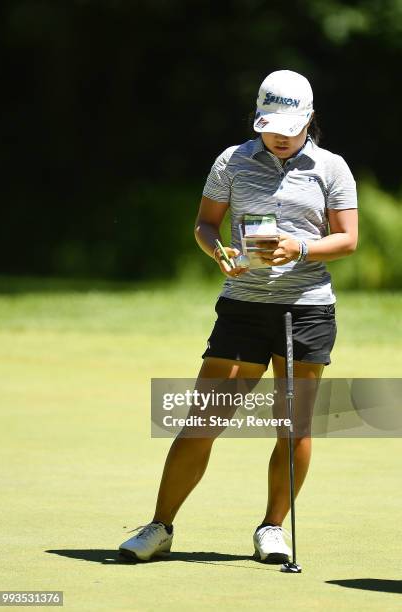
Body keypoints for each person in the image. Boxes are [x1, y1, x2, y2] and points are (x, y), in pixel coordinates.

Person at [119, 69, 358, 562]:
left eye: (290, 128)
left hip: (306, 310)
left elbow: (348, 239)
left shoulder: (332, 168)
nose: (279, 136)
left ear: (309, 119)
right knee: (203, 419)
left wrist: (302, 247)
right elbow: (206, 225)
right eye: (270, 126)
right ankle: (160, 526)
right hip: (243, 307)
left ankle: (272, 529)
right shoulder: (232, 161)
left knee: (293, 426)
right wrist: (218, 251)